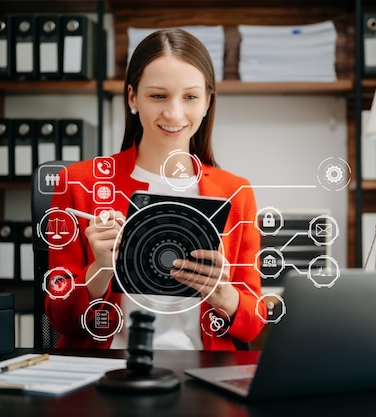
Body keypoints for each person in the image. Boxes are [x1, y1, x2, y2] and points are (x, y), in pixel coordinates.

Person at [45, 28, 266, 350]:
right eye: (158, 96)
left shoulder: (236, 192)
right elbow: (61, 320)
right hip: (109, 373)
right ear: (133, 98)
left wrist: (221, 292)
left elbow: (252, 326)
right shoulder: (79, 183)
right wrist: (101, 268)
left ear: (207, 102)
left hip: (202, 373)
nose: (174, 114)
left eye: (190, 97)